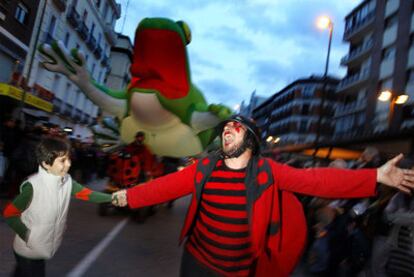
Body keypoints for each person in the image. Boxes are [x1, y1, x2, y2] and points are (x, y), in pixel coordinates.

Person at [112, 114, 414, 277]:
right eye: (226, 127)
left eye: (236, 127)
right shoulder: (205, 167)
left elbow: (318, 180)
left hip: (240, 271)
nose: (227, 130)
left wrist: (373, 175)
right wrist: (128, 197)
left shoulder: (268, 172)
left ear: (252, 142)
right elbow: (165, 187)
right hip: (195, 263)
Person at [2, 136, 112, 277]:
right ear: (46, 164)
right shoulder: (33, 187)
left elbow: (88, 194)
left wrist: (112, 197)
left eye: (69, 159)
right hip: (28, 251)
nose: (68, 164)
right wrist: (29, 236)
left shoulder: (66, 181)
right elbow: (10, 213)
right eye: (62, 160)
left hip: (41, 248)